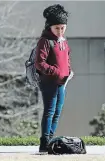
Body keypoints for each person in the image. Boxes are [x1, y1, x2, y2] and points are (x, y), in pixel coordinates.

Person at [34, 4, 73, 153]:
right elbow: (40, 63)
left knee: (57, 112)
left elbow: (67, 57)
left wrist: (68, 70)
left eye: (63, 28)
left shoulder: (63, 40)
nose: (60, 31)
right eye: (57, 28)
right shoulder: (45, 41)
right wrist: (56, 72)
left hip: (62, 83)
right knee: (49, 112)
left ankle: (50, 139)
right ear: (50, 27)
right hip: (49, 82)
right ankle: (44, 142)